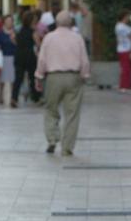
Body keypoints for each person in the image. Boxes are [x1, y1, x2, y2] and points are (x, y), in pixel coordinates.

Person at [35, 11, 90, 156]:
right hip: (73, 77)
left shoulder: (48, 38)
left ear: (57, 23)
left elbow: (42, 60)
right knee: (72, 113)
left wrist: (39, 76)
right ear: (71, 23)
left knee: (50, 109)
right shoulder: (77, 38)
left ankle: (52, 139)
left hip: (54, 77)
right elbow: (84, 60)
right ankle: (67, 147)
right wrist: (84, 75)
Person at [12, 9, 40, 107]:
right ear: (31, 21)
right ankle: (36, 98)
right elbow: (38, 44)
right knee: (33, 78)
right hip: (29, 56)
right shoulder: (33, 32)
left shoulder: (19, 30)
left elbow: (14, 40)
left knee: (18, 79)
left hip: (19, 55)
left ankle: (14, 98)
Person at [0, 17, 17, 105]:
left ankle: (12, 96)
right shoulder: (1, 33)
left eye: (10, 21)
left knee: (13, 79)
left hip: (13, 57)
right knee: (2, 79)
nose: (9, 23)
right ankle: (0, 96)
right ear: (4, 22)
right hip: (3, 57)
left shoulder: (16, 32)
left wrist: (14, 39)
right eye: (7, 21)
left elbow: (18, 45)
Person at [115, 11, 131, 93]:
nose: (128, 18)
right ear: (124, 17)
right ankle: (124, 86)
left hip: (122, 49)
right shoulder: (122, 27)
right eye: (127, 17)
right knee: (126, 69)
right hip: (125, 49)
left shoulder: (119, 26)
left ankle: (125, 86)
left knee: (126, 68)